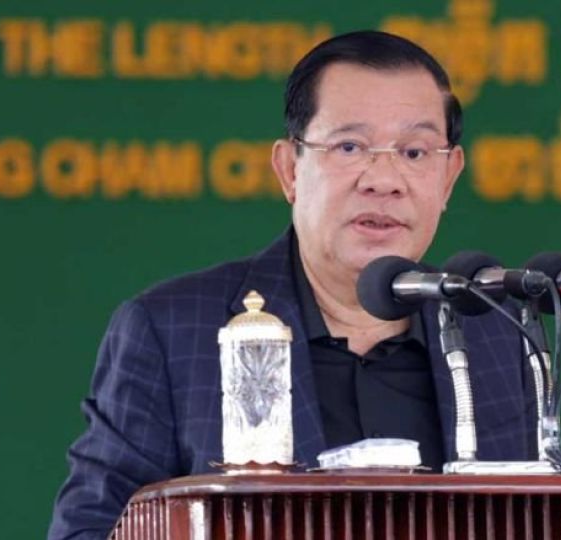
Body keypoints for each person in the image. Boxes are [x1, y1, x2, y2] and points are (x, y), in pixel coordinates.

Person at [48, 30, 536, 539]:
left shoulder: (494, 336)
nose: (384, 179)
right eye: (350, 146)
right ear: (289, 170)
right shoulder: (172, 332)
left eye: (414, 153)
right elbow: (89, 530)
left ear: (449, 178)